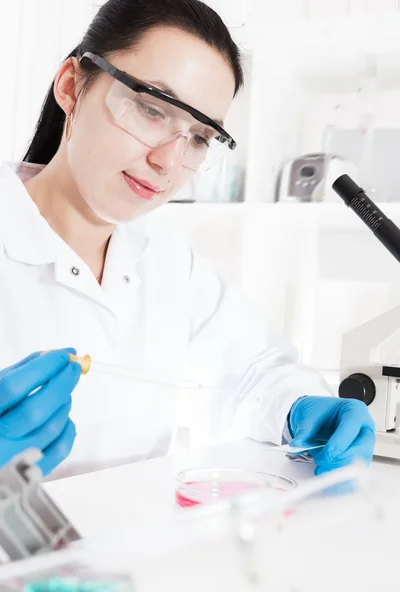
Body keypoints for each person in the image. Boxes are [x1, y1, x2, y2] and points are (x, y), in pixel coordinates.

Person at [0, 0, 375, 480]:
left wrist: (300, 406)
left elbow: (252, 373)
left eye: (199, 137)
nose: (169, 162)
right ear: (72, 87)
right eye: (152, 109)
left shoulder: (166, 257)